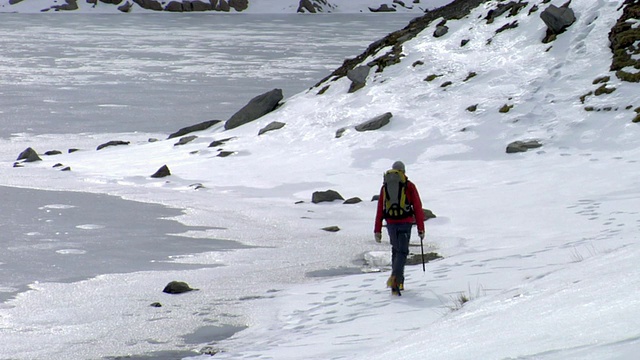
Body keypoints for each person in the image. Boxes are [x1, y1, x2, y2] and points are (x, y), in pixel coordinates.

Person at [374, 161, 425, 295]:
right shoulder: (409, 186)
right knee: (402, 252)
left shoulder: (385, 187)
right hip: (405, 222)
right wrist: (421, 228)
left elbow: (380, 208)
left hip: (390, 223)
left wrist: (377, 229)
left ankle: (398, 282)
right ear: (404, 171)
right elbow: (418, 207)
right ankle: (396, 281)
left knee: (396, 251)